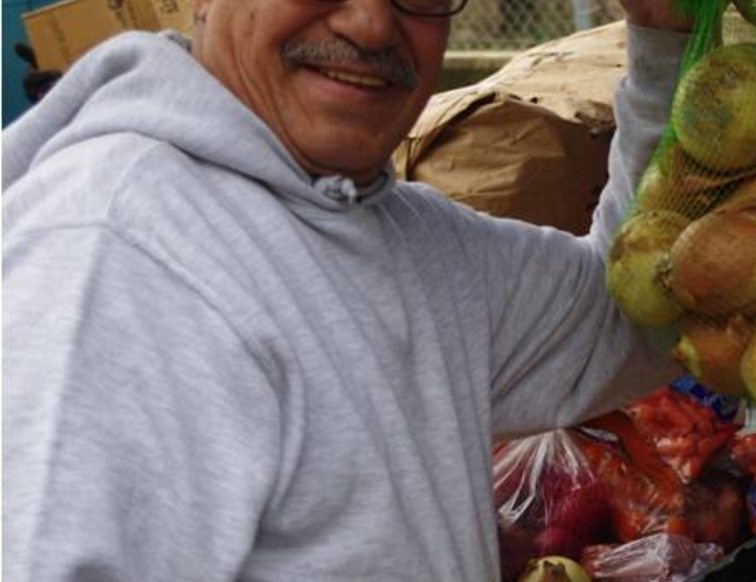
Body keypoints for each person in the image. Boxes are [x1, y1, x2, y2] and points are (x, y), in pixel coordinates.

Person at [2, 0, 692, 578]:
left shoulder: (405, 242)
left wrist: (664, 41)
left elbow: (627, 314)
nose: (369, 25)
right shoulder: (118, 259)